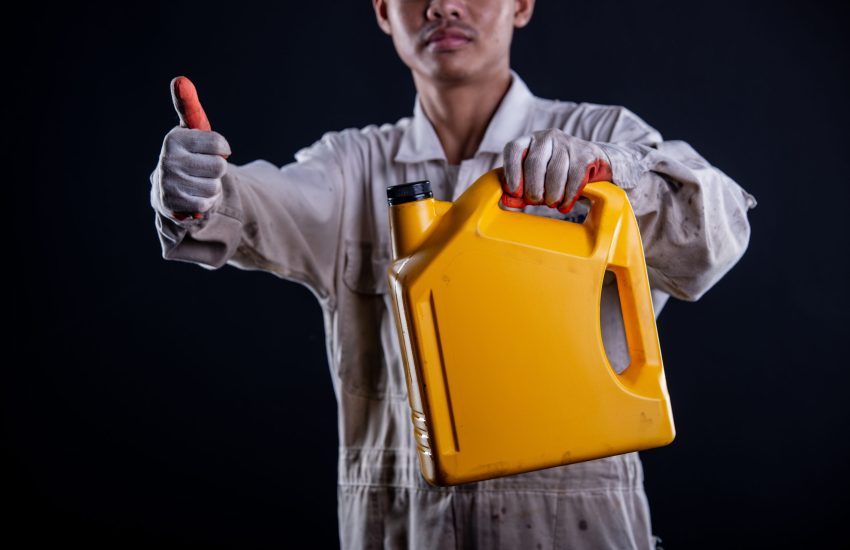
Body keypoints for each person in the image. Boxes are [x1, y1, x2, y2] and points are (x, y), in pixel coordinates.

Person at [149, 0, 756, 548]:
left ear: (522, 5)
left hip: (579, 524)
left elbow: (715, 231)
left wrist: (611, 173)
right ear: (383, 11)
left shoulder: (601, 136)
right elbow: (256, 203)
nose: (442, 6)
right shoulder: (353, 168)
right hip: (403, 527)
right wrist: (197, 189)